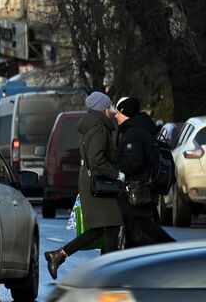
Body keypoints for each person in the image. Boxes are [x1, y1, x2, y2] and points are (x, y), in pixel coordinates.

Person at [45, 92, 124, 280]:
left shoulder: (91, 126)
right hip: (98, 185)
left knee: (100, 228)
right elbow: (96, 160)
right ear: (102, 108)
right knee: (111, 226)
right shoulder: (98, 129)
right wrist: (117, 174)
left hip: (91, 183)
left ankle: (60, 256)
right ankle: (106, 272)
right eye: (108, 107)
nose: (110, 111)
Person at [114, 96, 175, 248]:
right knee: (145, 225)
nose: (115, 115)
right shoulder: (142, 127)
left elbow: (134, 161)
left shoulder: (133, 133)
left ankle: (172, 251)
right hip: (146, 187)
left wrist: (116, 168)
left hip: (136, 188)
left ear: (125, 112)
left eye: (118, 112)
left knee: (143, 226)